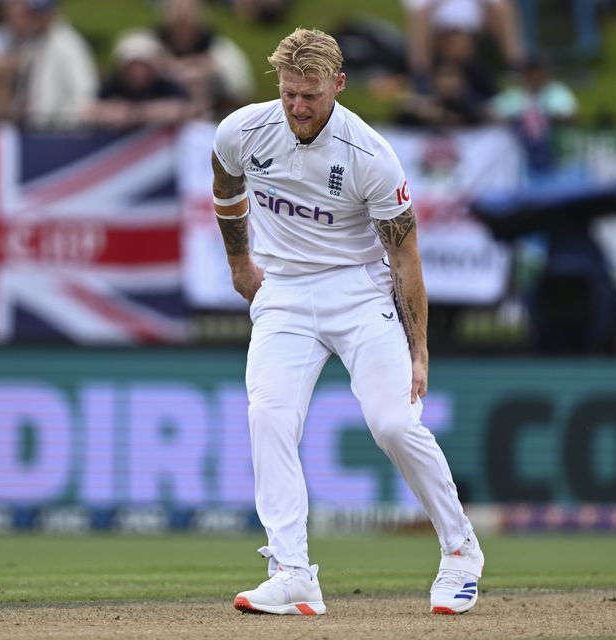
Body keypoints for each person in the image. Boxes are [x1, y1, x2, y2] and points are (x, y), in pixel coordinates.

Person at [211, 28, 483, 616]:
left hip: (359, 292)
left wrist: (420, 349)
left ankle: (460, 549)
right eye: (288, 94)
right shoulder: (243, 129)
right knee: (269, 416)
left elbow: (405, 256)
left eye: (310, 95)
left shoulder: (369, 156)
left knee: (393, 424)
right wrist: (240, 263)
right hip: (283, 291)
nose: (297, 107)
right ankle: (291, 572)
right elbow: (225, 183)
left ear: (338, 84)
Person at [86, 30, 194, 131]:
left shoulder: (166, 86)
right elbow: (88, 110)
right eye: (132, 66)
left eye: (143, 66)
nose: (137, 72)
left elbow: (182, 109)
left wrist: (137, 113)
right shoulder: (111, 87)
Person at [22, 0, 98, 130]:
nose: (34, 17)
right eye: (32, 13)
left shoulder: (68, 44)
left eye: (40, 13)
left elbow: (84, 92)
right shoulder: (38, 40)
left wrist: (62, 123)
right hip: (39, 129)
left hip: (60, 131)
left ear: (53, 12)